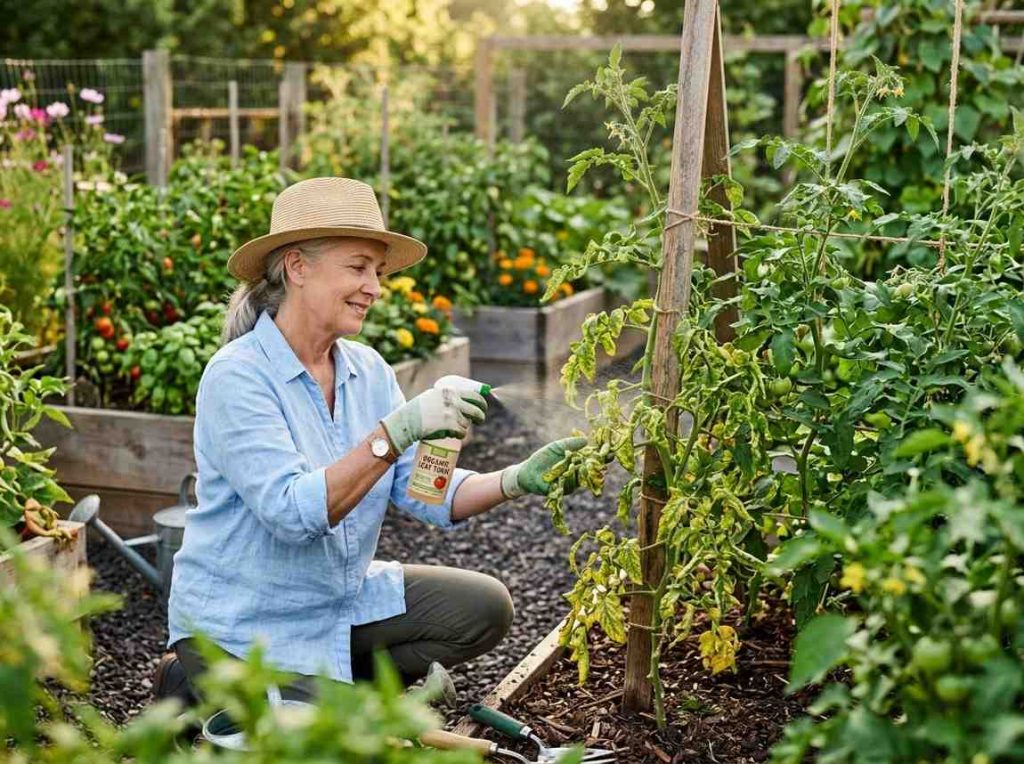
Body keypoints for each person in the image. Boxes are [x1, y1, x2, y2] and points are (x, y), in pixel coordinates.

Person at [155, 177, 585, 703]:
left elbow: (425, 493)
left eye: (377, 273)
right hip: (243, 628)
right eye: (358, 267)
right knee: (344, 743)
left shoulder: (367, 370)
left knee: (484, 608)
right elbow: (294, 515)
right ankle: (197, 678)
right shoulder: (238, 377)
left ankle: (328, 688)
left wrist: (516, 479)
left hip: (337, 601)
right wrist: (396, 431)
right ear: (297, 267)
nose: (375, 288)